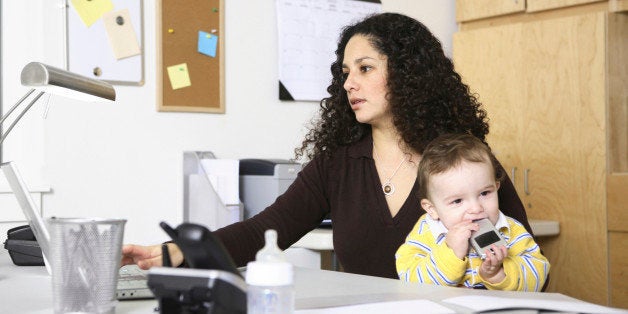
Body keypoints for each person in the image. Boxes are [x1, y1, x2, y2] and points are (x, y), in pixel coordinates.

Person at [121, 12, 533, 279]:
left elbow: (532, 262)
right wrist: (176, 252)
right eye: (345, 72)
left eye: (365, 68)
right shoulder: (337, 165)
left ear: (410, 75)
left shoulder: (465, 161)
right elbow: (263, 232)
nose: (349, 83)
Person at [395, 133, 549, 291]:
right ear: (432, 209)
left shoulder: (511, 230)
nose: (476, 209)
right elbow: (410, 280)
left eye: (485, 193)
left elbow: (538, 273)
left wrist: (498, 274)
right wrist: (451, 253)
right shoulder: (426, 232)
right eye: (457, 201)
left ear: (496, 188)